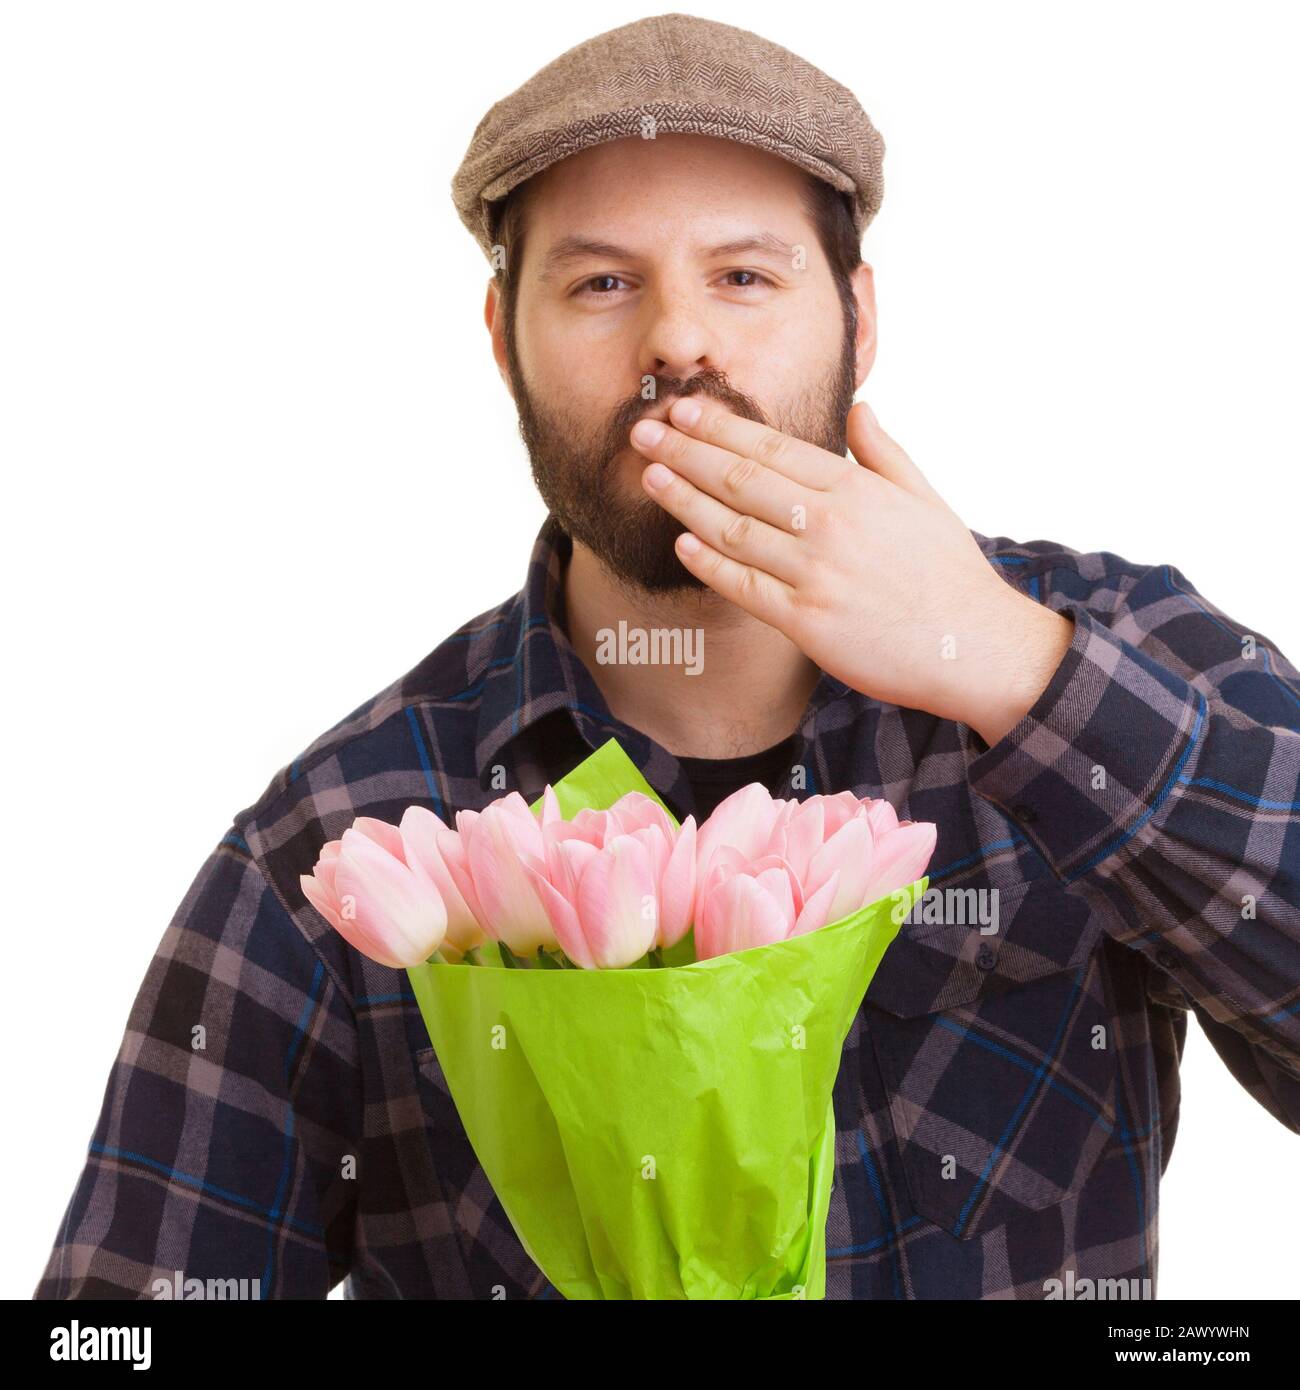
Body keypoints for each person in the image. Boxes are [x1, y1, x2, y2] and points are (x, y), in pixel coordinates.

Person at [35, 13, 1299, 1301]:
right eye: (600, 283)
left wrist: (1018, 675)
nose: (676, 344)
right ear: (500, 337)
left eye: (745, 276)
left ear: (857, 315)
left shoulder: (1111, 652)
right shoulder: (346, 845)